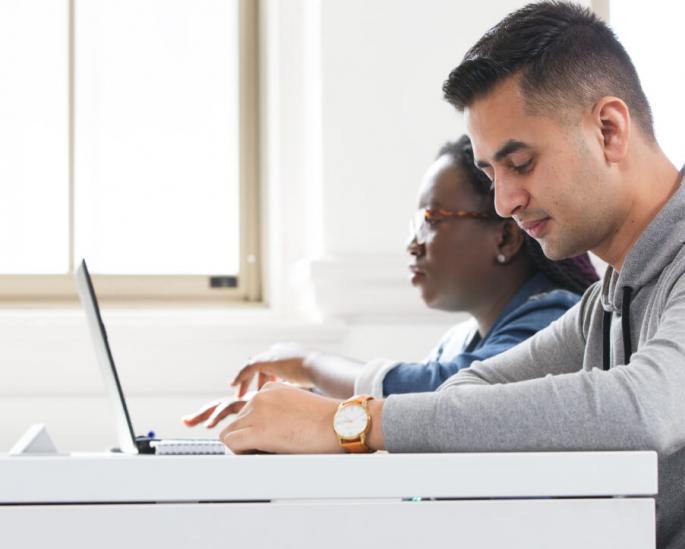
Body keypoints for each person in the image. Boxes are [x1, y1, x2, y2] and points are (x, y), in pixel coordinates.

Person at [204, 2, 685, 549]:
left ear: (607, 130)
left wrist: (352, 424)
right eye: (490, 172)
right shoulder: (619, 294)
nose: (505, 201)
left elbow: (645, 407)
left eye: (521, 162)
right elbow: (474, 387)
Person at [183, 135, 598, 428]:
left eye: (431, 220)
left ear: (505, 236)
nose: (412, 244)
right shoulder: (458, 340)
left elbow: (447, 401)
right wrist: (287, 413)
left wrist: (309, 364)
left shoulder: (557, 317)